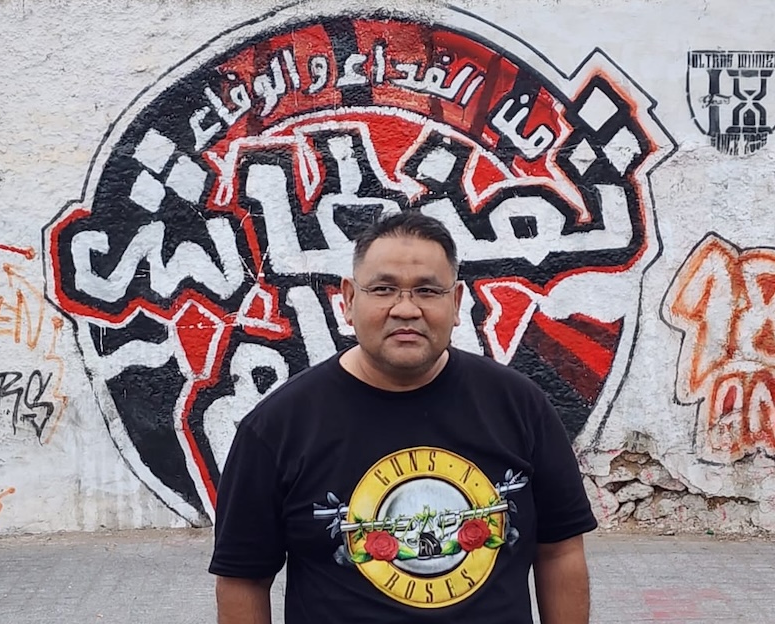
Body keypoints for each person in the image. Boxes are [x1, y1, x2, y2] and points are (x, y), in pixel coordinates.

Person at [209, 211, 597, 623]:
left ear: (456, 302)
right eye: (384, 289)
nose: (406, 309)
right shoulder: (277, 427)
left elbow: (560, 552)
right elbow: (243, 579)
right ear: (348, 300)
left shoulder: (519, 406)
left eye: (427, 290)